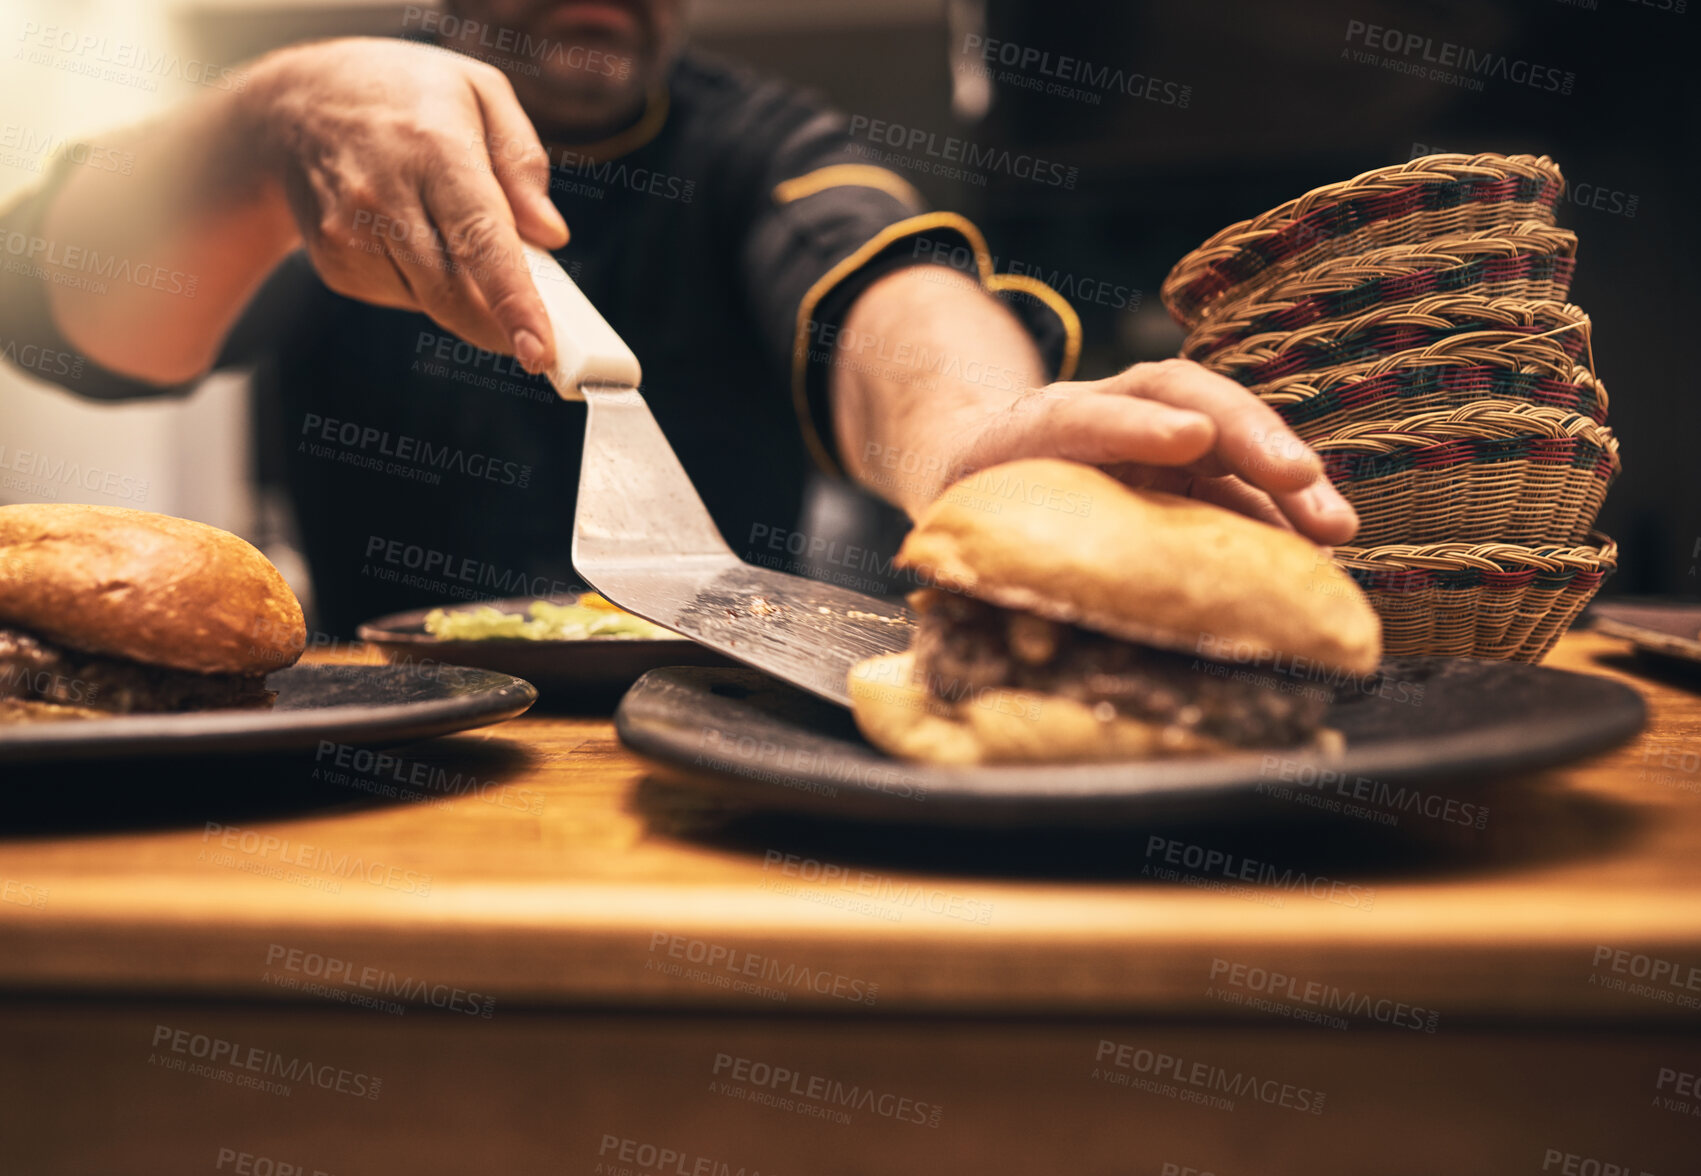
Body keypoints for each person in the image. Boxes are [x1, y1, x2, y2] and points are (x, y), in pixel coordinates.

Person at [0, 0, 1357, 635]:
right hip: (362, 745)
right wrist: (259, 128)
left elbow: (882, 281)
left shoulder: (754, 145)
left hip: (706, 746)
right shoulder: (343, 131)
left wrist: (971, 434)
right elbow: (65, 322)